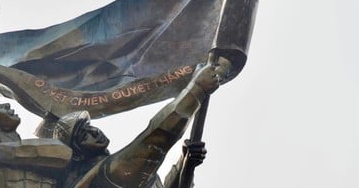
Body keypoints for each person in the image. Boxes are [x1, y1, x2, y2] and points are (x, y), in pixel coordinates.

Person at [52, 57, 230, 187]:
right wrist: (197, 89)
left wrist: (185, 164)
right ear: (77, 155)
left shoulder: (123, 172)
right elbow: (156, 139)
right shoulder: (104, 176)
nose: (94, 132)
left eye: (90, 126)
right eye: (84, 134)